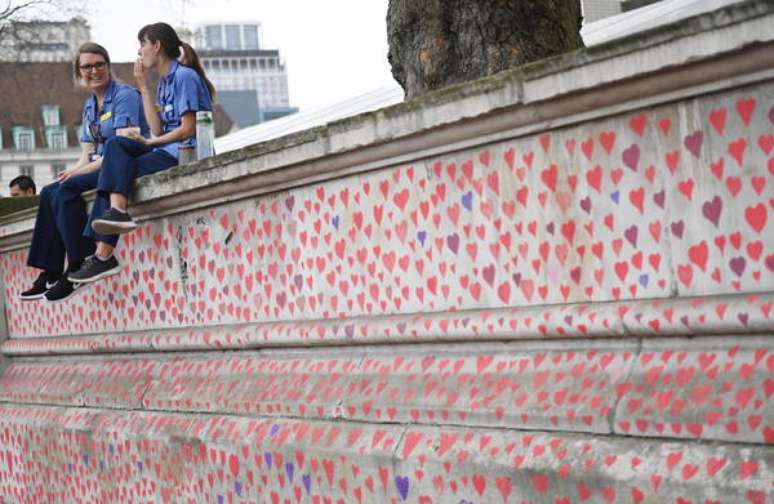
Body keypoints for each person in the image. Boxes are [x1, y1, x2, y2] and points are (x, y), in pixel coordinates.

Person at [69, 22, 214, 284]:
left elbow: (188, 128)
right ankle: (114, 219)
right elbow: (157, 128)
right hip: (165, 147)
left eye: (142, 45)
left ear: (156, 45)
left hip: (182, 153)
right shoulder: (163, 82)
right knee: (116, 150)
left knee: (115, 161)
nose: (140, 51)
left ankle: (104, 249)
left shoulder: (184, 77)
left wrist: (149, 144)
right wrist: (144, 88)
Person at [20, 42, 149, 302]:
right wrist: (73, 170)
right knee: (50, 191)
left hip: (124, 164)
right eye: (87, 67)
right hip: (99, 164)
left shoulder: (124, 95)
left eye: (99, 64)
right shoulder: (90, 105)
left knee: (67, 188)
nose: (94, 71)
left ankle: (77, 264)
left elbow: (119, 148)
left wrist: (78, 174)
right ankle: (51, 270)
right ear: (79, 73)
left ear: (108, 66)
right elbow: (86, 152)